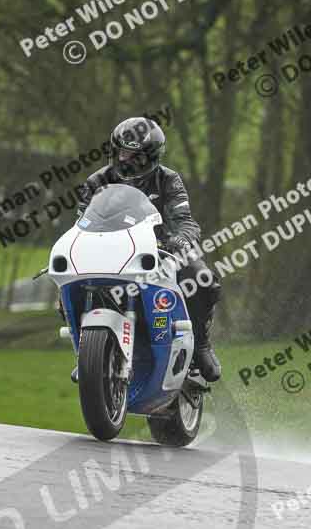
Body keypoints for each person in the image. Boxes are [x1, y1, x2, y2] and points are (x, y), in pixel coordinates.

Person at [73, 116, 222, 383]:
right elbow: (82, 220)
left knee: (204, 280)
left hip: (161, 251)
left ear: (151, 157)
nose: (125, 159)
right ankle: (84, 351)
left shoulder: (168, 180)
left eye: (133, 155)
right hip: (110, 251)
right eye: (121, 152)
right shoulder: (97, 181)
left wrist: (181, 239)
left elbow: (184, 219)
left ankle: (200, 343)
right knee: (71, 283)